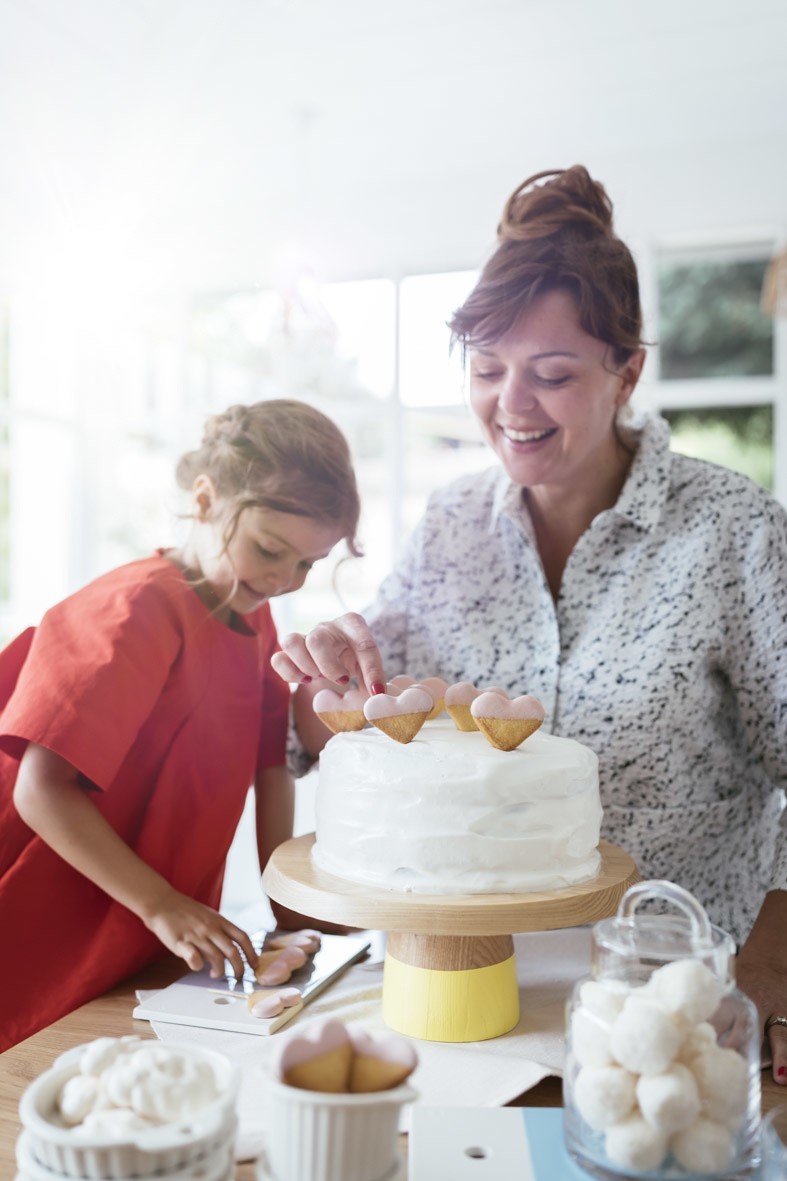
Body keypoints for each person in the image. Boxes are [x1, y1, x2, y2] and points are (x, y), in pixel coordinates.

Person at [272, 167, 787, 1083]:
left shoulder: (733, 530)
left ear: (627, 370)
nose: (511, 405)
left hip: (677, 1015)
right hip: (460, 996)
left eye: (551, 375)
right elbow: (357, 714)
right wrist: (329, 681)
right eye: (485, 369)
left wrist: (765, 982)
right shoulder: (451, 526)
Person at [0, 398, 361, 1052]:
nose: (284, 578)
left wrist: (283, 913)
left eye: (307, 564)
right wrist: (160, 902)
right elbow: (39, 789)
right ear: (205, 498)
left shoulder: (254, 616)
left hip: (142, 909)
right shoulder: (134, 607)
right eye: (270, 549)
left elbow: (270, 768)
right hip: (48, 896)